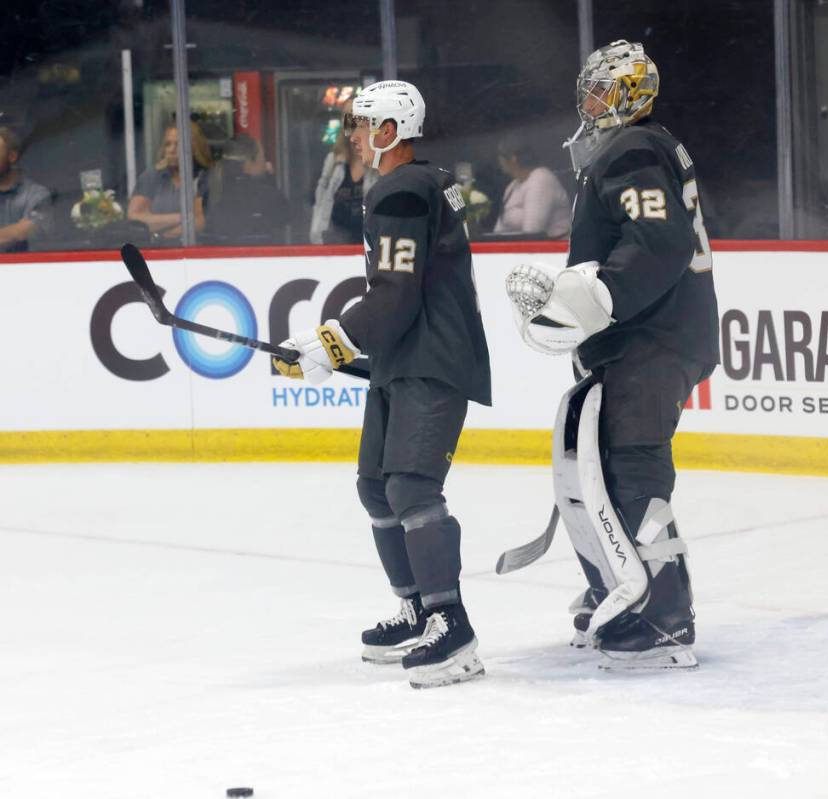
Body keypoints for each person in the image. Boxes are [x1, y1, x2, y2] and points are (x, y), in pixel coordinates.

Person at [506, 41, 720, 670]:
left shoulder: (631, 148)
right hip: (645, 334)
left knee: (632, 466)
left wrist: (597, 295)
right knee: (599, 467)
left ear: (631, 94)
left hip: (653, 337)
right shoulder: (638, 149)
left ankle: (664, 614)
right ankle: (616, 588)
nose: (588, 102)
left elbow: (659, 241)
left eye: (601, 90)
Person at [272, 80, 491, 689]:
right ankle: (418, 608)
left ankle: (453, 627)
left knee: (412, 488)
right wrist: (338, 347)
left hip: (433, 358)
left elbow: (396, 293)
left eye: (362, 124)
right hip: (407, 355)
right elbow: (400, 296)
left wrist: (331, 341)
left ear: (391, 130)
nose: (354, 136)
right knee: (376, 486)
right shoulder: (417, 183)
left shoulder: (401, 190)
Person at [128, 121, 210, 242]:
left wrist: (160, 234)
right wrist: (183, 217)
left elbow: (199, 222)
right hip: (152, 250)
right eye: (168, 144)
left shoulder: (204, 177)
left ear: (193, 148)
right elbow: (134, 219)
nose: (171, 150)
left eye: (178, 145)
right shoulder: (152, 176)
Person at [203, 134, 290, 244]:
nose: (266, 164)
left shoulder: (209, 186)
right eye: (263, 158)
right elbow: (285, 215)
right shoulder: (264, 194)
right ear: (248, 165)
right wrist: (269, 180)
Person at [309, 102, 370, 245]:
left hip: (371, 244)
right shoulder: (333, 160)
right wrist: (316, 236)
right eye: (349, 117)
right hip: (336, 243)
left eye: (359, 118)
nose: (354, 122)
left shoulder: (380, 162)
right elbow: (320, 200)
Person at [492, 134, 570, 239]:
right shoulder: (512, 187)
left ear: (513, 158)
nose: (499, 162)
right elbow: (498, 231)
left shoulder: (541, 179)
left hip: (554, 251)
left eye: (500, 157)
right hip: (520, 250)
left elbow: (532, 232)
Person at [0, 127, 52, 252]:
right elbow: (16, 231)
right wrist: (12, 231)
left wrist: (18, 231)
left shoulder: (37, 195)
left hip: (25, 268)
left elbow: (24, 231)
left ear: (12, 156)